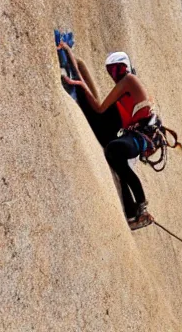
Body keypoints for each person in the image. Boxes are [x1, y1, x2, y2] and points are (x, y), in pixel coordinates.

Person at [59, 42, 154, 230]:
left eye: (118, 68)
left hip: (140, 137)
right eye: (112, 70)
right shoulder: (124, 91)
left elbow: (99, 108)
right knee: (116, 162)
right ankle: (132, 211)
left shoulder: (129, 80)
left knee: (113, 149)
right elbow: (102, 110)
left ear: (126, 68)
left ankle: (142, 207)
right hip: (134, 137)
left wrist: (78, 81)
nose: (116, 73)